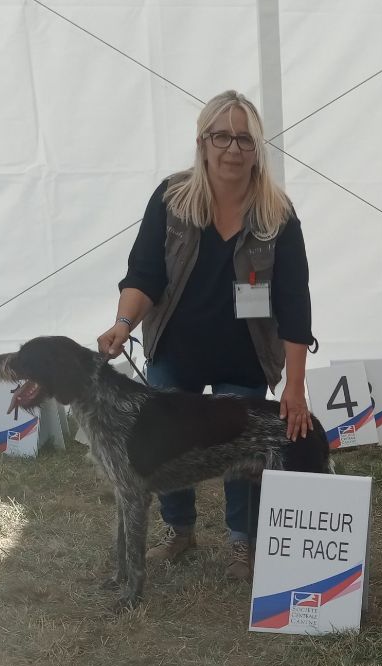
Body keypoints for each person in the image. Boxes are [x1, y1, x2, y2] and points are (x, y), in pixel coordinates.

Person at [98, 90, 315, 581]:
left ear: (257, 149)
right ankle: (179, 530)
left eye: (245, 139)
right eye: (222, 137)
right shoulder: (171, 199)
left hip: (246, 354)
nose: (233, 149)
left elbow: (294, 305)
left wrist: (296, 387)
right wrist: (123, 324)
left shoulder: (278, 215)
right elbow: (144, 274)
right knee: (166, 443)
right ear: (202, 142)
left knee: (245, 450)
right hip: (176, 349)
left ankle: (242, 542)